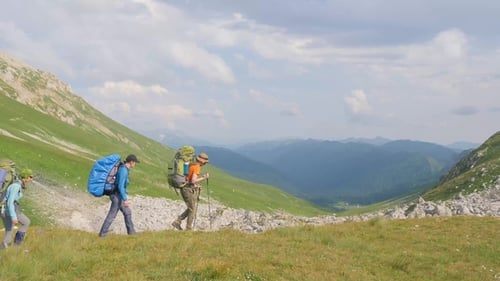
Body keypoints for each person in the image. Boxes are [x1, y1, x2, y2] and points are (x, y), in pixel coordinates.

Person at [99, 154, 140, 237]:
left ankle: (132, 233)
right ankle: (102, 234)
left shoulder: (125, 169)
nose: (135, 164)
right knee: (112, 215)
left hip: (118, 195)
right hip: (116, 196)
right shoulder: (123, 170)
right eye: (135, 162)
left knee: (127, 212)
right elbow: (120, 186)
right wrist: (125, 199)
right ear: (131, 162)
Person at [172, 152, 209, 231]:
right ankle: (188, 228)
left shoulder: (191, 164)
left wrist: (196, 186)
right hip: (187, 190)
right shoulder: (197, 167)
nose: (205, 164)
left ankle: (178, 221)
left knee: (191, 208)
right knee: (192, 209)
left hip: (184, 188)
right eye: (205, 162)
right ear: (202, 161)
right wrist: (204, 177)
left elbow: (188, 179)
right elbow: (193, 180)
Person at [1, 168, 33, 248]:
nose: (31, 179)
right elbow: (10, 202)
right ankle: (17, 246)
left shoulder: (16, 184)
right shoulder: (16, 186)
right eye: (30, 176)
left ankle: (3, 248)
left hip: (3, 210)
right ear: (25, 177)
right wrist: (14, 217)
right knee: (26, 222)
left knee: (9, 230)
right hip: (9, 210)